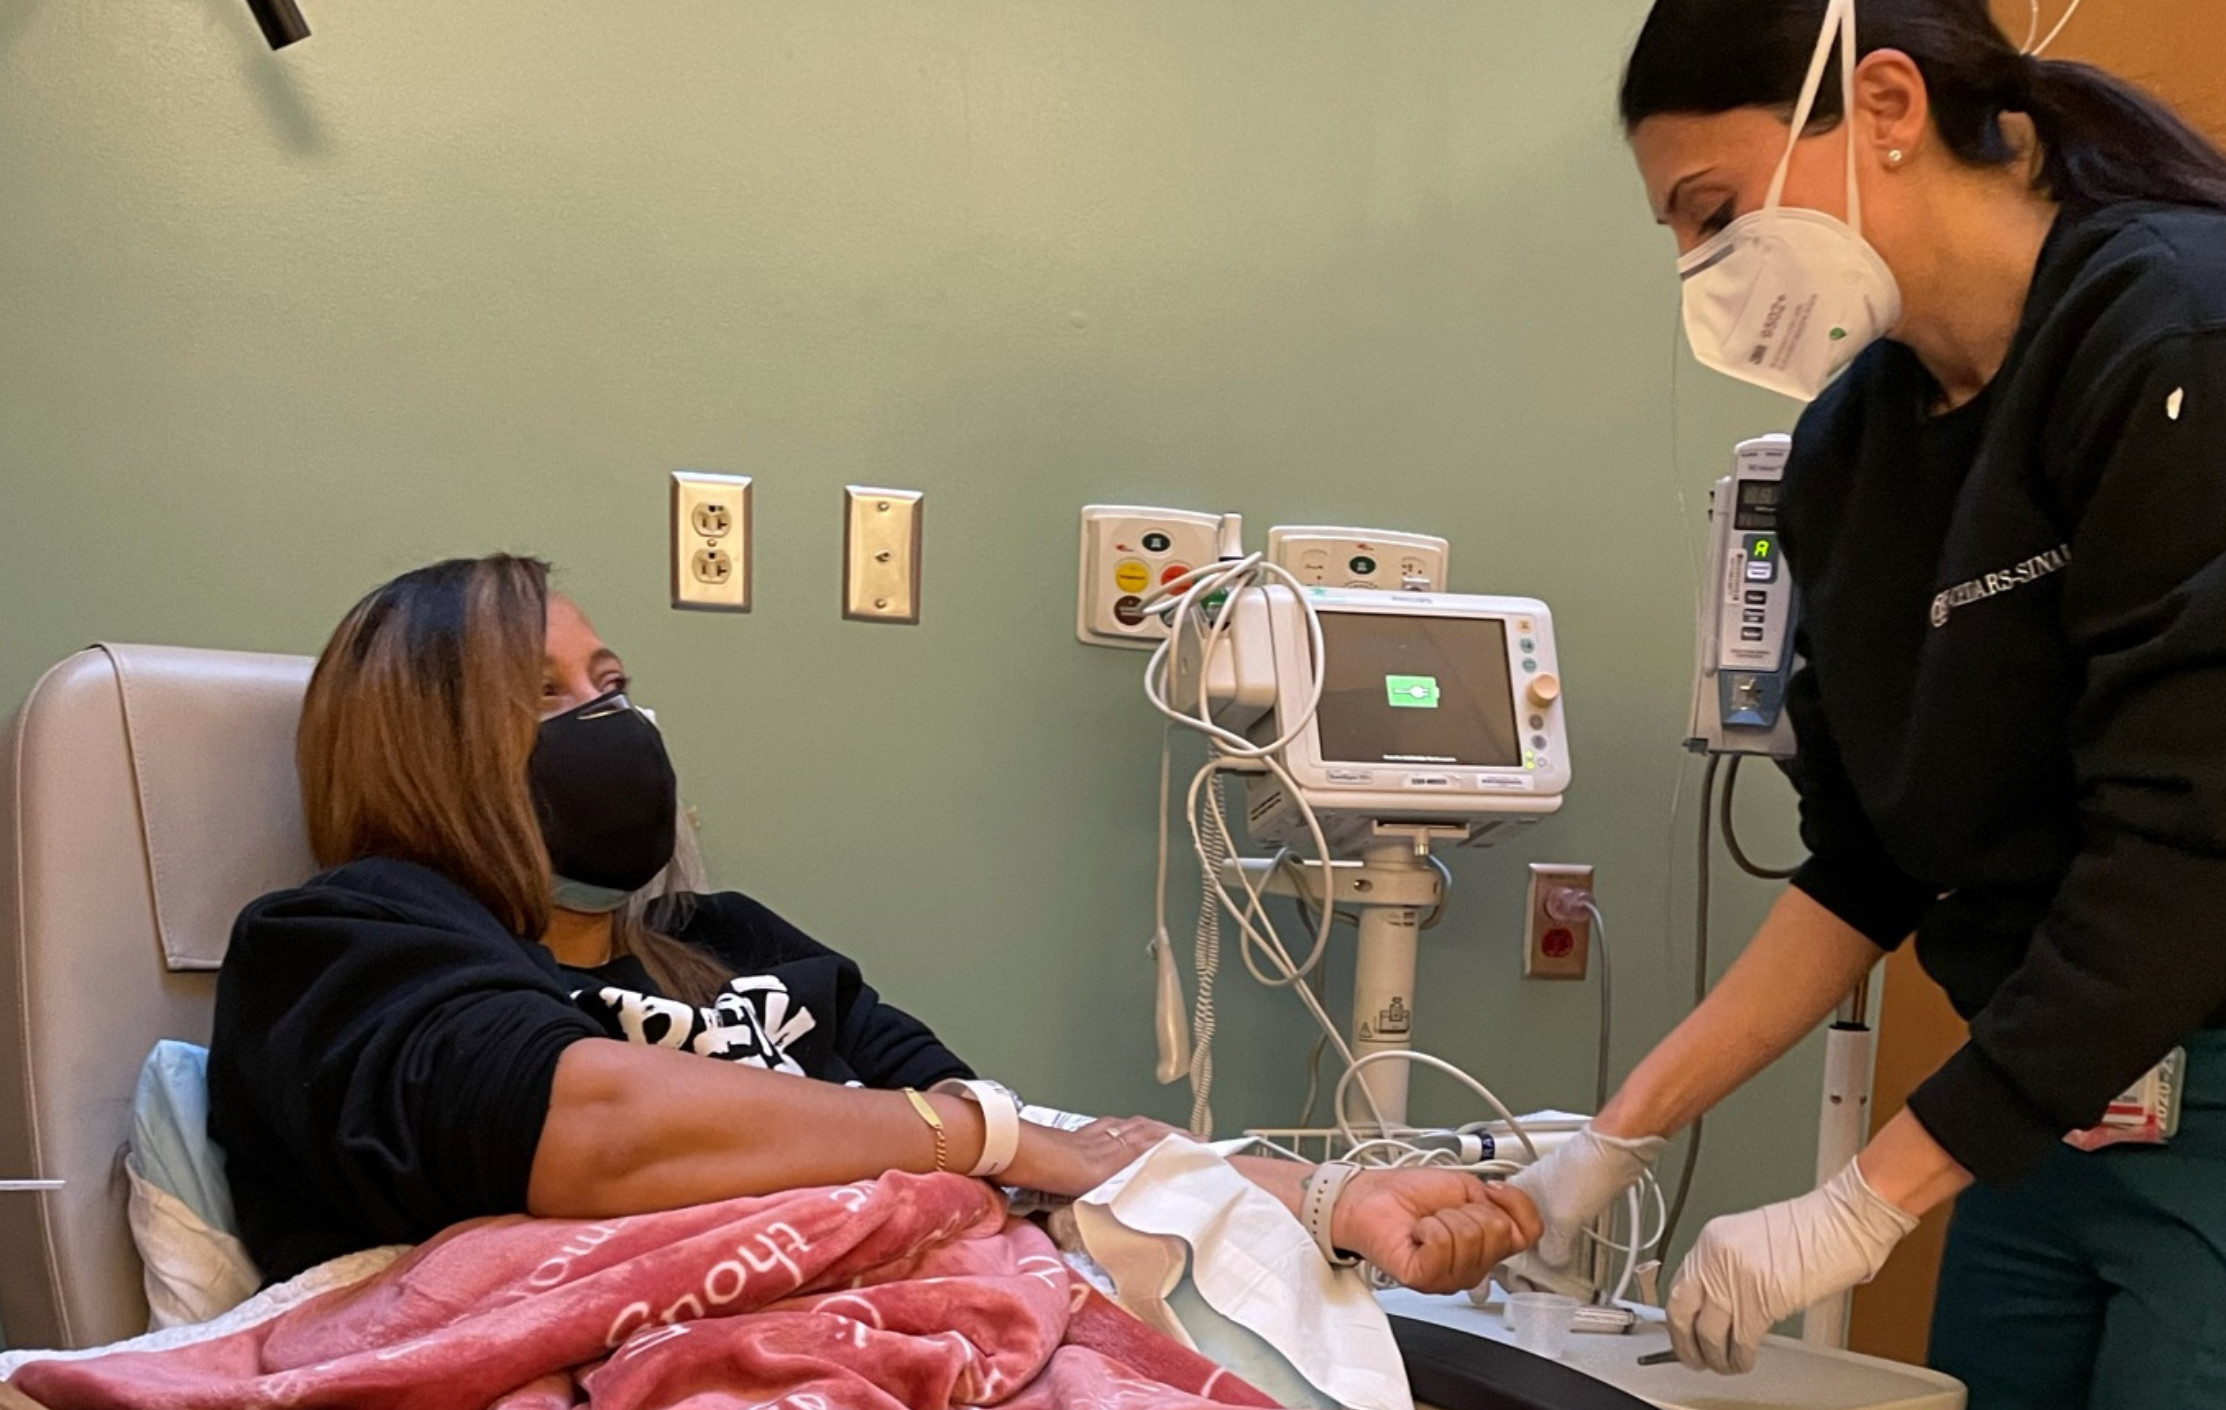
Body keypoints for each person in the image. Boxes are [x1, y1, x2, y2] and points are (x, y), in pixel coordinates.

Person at [1511, 0, 2226, 1405]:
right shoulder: (1858, 447)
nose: (1709, 269)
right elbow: (1869, 862)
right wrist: (1615, 1136)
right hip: (2045, 1088)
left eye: (1716, 211)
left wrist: (1861, 1202)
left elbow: (2203, 852)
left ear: (1890, 107)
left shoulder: (2193, 333)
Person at [208, 554, 1540, 1299]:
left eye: (614, 683)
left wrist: (1330, 1198)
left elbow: (1043, 1155)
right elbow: (578, 1129)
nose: (612, 721)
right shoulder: (340, 944)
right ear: (432, 750)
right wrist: (961, 1137)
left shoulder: (733, 944)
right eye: (547, 695)